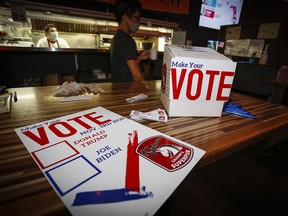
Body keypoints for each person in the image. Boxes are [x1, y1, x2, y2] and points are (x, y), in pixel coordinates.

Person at [110, 0, 150, 82]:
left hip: (118, 89)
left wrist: (139, 58)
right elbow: (137, 77)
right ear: (125, 18)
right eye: (136, 17)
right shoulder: (127, 41)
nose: (138, 22)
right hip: (127, 91)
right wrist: (148, 91)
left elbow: (122, 66)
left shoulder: (117, 37)